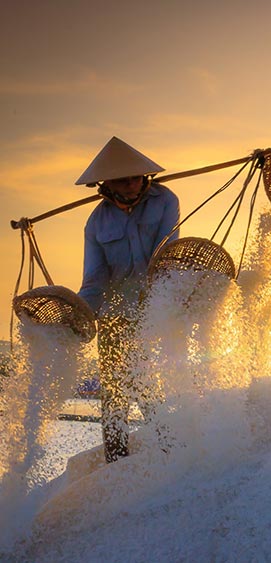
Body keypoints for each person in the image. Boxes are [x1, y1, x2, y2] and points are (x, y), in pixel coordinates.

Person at [76, 136, 180, 463]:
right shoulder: (96, 222)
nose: (133, 183)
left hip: (156, 307)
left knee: (147, 384)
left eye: (137, 176)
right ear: (106, 183)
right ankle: (116, 463)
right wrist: (79, 313)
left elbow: (165, 256)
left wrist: (154, 307)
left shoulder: (165, 201)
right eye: (124, 179)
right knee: (114, 393)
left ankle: (172, 453)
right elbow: (94, 280)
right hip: (114, 315)